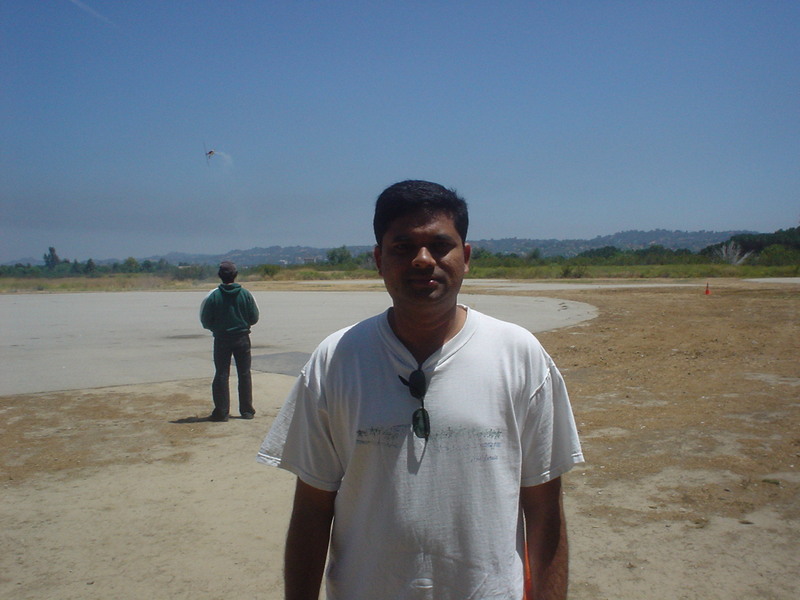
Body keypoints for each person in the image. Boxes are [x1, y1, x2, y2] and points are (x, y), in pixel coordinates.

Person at [258, 180, 584, 600]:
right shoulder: (336, 360)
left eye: (440, 245)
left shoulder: (519, 355)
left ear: (466, 257)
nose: (423, 260)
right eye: (403, 247)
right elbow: (312, 509)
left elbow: (543, 507)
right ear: (379, 260)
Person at [200, 261, 260, 421]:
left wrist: (217, 328)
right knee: (244, 374)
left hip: (222, 339)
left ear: (220, 275)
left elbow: (205, 321)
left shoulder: (213, 296)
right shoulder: (246, 294)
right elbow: (254, 317)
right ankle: (247, 411)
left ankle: (221, 412)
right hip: (242, 338)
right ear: (236, 275)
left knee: (221, 374)